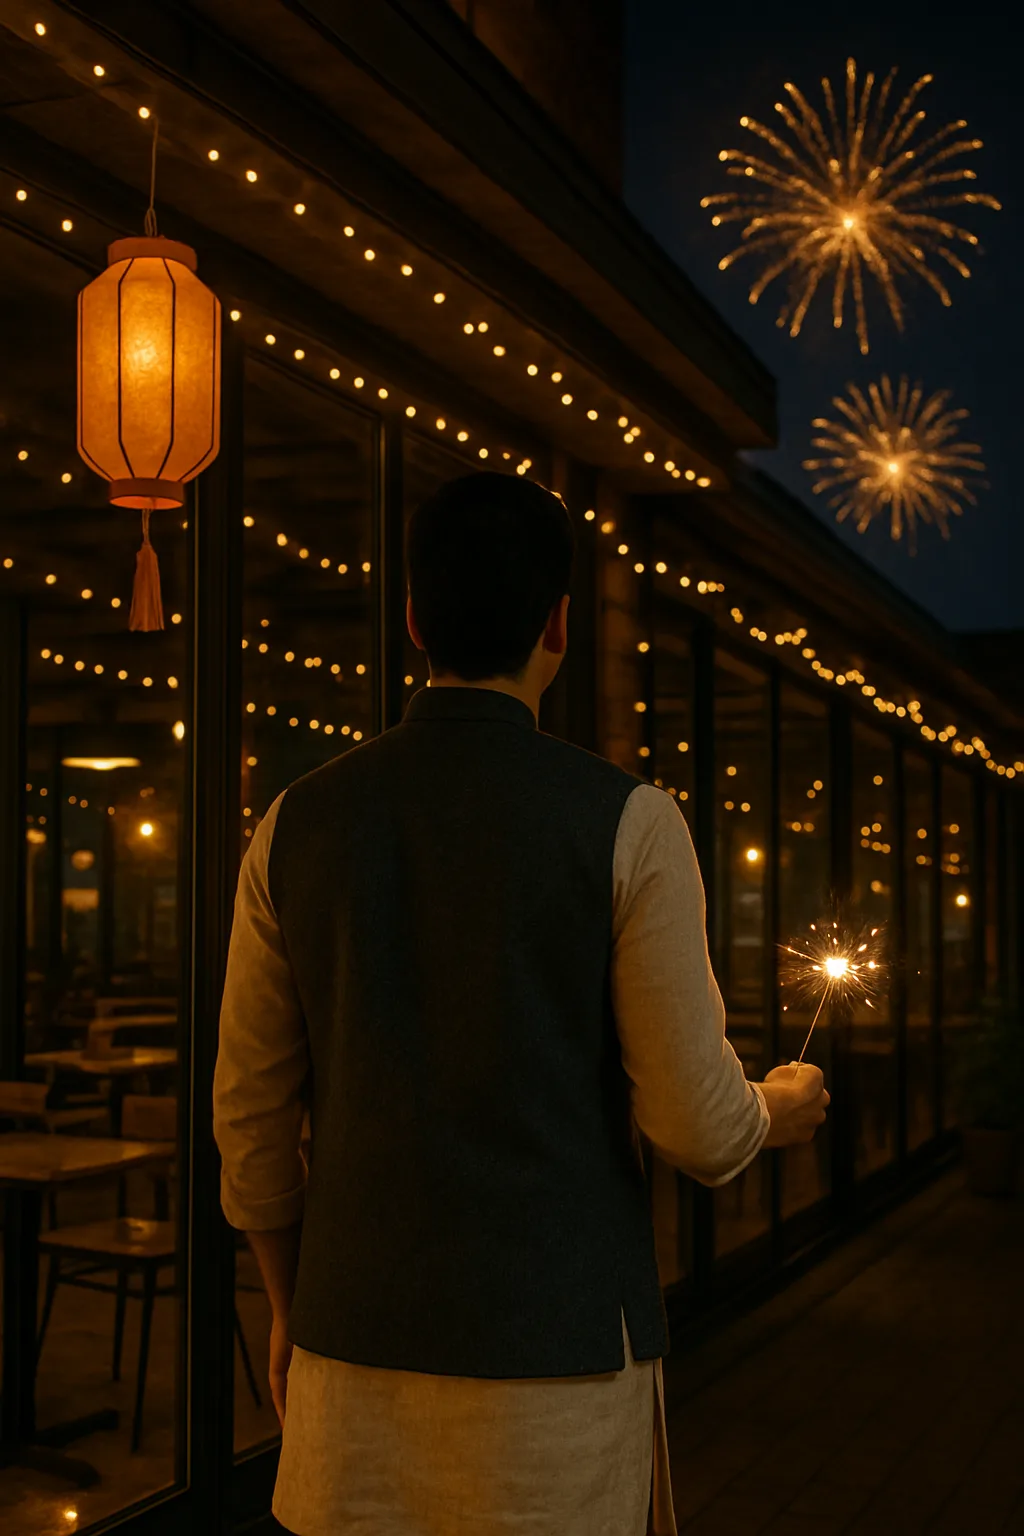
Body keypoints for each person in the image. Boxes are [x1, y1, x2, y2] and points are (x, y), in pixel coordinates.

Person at [213, 472, 830, 1536]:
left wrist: (286, 1301)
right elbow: (697, 1124)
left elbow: (250, 1122)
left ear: (412, 620)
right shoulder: (630, 823)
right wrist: (777, 1105)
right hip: (562, 1369)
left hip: (347, 1357)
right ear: (559, 626)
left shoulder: (292, 823)